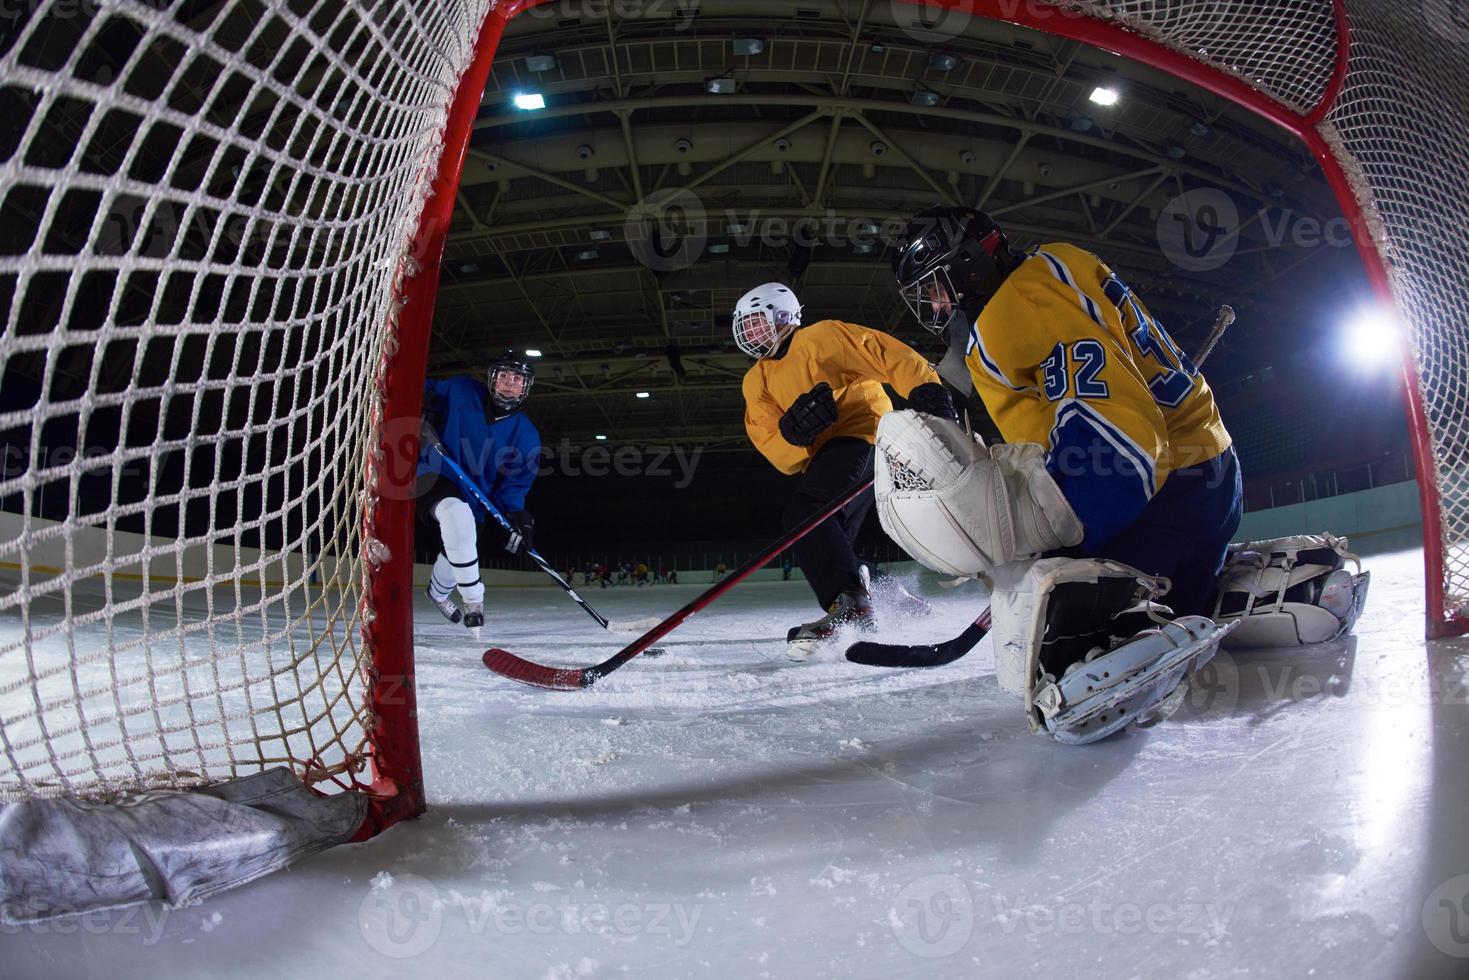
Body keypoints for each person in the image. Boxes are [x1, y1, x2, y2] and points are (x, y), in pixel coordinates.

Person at [877, 206, 1243, 741]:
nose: (935, 305)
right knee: (1184, 601)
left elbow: (1123, 445)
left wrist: (1053, 529)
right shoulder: (1058, 264)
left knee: (1044, 614)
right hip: (1213, 482)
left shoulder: (1015, 308)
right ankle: (1213, 598)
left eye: (937, 287)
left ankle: (1124, 629)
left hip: (1159, 501)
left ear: (970, 266)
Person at [734, 281, 944, 661]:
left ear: (784, 316)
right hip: (826, 457)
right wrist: (791, 434)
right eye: (745, 327)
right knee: (829, 544)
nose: (750, 334)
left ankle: (853, 606)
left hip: (865, 435)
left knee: (806, 515)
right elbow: (777, 450)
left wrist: (922, 385)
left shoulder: (821, 338)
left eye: (755, 323)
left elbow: (881, 352)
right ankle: (889, 595)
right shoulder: (756, 380)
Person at [417, 351, 540, 636]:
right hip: (434, 472)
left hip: (476, 496)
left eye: (517, 379)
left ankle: (436, 594)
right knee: (455, 515)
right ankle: (474, 601)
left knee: (459, 546)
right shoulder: (461, 390)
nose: (509, 383)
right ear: (492, 378)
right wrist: (419, 399)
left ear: (525, 387)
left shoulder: (527, 434)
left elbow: (514, 484)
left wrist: (517, 514)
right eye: (504, 376)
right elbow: (423, 387)